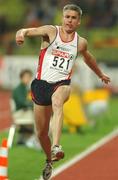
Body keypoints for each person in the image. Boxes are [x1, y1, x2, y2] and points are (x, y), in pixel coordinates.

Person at [16, 4, 110, 180]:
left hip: (62, 83)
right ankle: (49, 160)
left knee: (58, 102)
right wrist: (20, 34)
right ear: (62, 18)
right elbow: (26, 30)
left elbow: (88, 58)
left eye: (74, 18)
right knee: (41, 133)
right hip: (41, 85)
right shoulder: (51, 31)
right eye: (67, 17)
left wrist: (100, 74)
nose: (70, 21)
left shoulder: (80, 42)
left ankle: (57, 146)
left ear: (79, 22)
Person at [12, 69, 34, 145]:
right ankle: (31, 140)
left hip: (24, 111)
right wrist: (32, 105)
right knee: (37, 118)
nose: (28, 79)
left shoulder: (26, 88)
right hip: (20, 112)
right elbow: (22, 102)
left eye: (29, 77)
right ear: (21, 77)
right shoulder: (18, 89)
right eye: (26, 77)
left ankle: (23, 140)